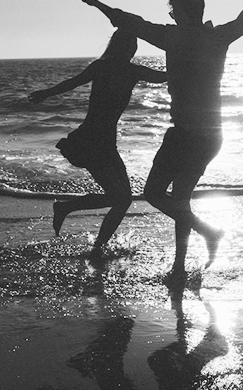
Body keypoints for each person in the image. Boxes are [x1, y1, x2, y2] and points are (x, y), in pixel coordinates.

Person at [70, 0, 243, 279]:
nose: (171, 19)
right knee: (180, 200)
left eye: (174, 13)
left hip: (185, 134)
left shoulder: (174, 38)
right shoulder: (217, 37)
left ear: (185, 13)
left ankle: (207, 234)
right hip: (213, 136)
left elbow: (130, 22)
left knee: (154, 194)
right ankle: (179, 268)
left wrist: (96, 4)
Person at [28, 28, 167, 258]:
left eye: (134, 45)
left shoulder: (131, 71)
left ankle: (72, 216)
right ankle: (94, 244)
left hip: (103, 142)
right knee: (122, 199)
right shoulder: (108, 68)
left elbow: (165, 76)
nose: (132, 49)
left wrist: (188, 58)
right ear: (121, 47)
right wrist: (46, 93)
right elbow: (73, 83)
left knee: (121, 199)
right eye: (129, 45)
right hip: (92, 140)